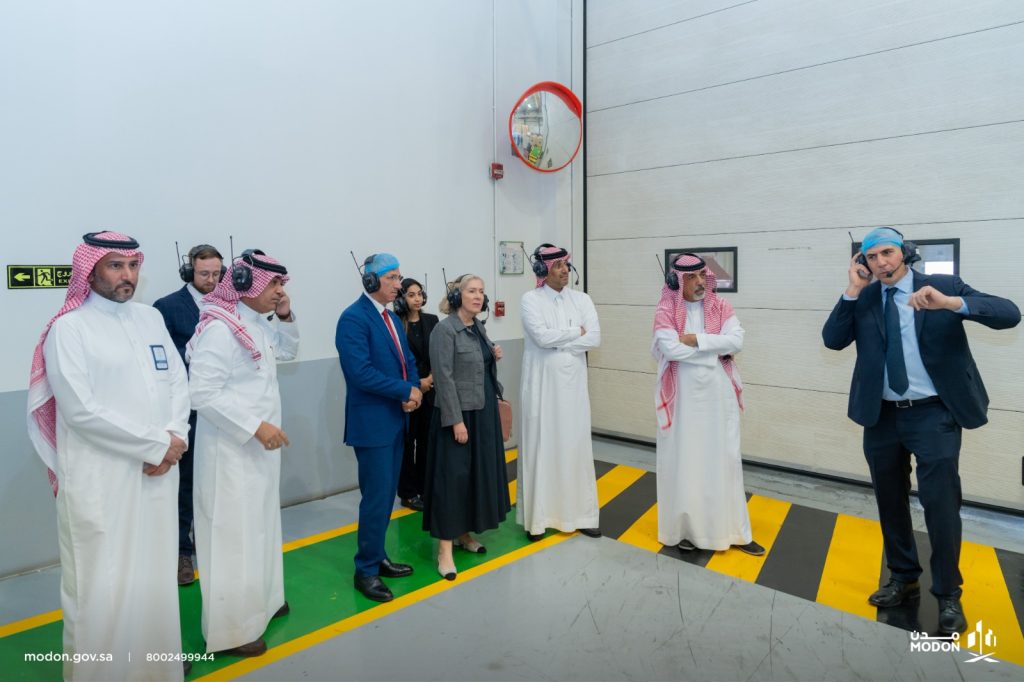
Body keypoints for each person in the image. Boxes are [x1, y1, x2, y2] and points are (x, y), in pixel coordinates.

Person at [822, 227, 1020, 636]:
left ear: (905, 253)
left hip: (934, 414)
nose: (881, 263)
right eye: (872, 257)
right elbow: (832, 340)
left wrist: (951, 304)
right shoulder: (865, 297)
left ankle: (947, 593)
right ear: (863, 262)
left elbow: (1009, 314)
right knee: (890, 500)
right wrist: (852, 289)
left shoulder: (942, 287)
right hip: (882, 417)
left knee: (940, 504)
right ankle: (902, 577)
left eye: (888, 253)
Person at [27, 231, 189, 681]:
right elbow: (81, 410)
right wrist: (157, 444)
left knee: (154, 577)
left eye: (133, 265)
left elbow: (178, 382)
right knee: (102, 583)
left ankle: (156, 668)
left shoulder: (150, 319)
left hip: (159, 474)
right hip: (101, 479)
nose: (127, 275)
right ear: (90, 270)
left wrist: (176, 438)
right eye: (116, 266)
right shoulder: (69, 328)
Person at [186, 249, 298, 657]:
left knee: (261, 528)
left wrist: (285, 315)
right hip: (230, 454)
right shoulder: (221, 329)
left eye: (281, 283)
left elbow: (288, 352)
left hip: (260, 451)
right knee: (233, 538)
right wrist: (255, 427)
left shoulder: (255, 324)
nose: (279, 290)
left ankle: (265, 602)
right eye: (273, 284)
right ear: (245, 284)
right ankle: (231, 631)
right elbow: (201, 393)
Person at [653, 253, 764, 557]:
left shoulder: (721, 306)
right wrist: (714, 350)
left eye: (703, 275)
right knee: (688, 462)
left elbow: (736, 342)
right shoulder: (665, 310)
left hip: (719, 397)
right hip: (683, 399)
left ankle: (735, 532)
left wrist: (695, 340)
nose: (701, 282)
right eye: (692, 277)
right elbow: (670, 350)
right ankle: (688, 532)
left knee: (725, 461)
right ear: (677, 281)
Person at [336, 253, 421, 603]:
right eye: (392, 278)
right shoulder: (353, 319)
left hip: (396, 420)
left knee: (386, 496)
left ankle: (378, 554)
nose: (399, 285)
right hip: (373, 425)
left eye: (399, 277)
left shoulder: (390, 318)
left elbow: (408, 361)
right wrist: (404, 391)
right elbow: (360, 372)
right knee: (376, 498)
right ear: (371, 281)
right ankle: (366, 570)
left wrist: (412, 391)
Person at [424, 275, 510, 579]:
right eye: (471, 291)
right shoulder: (444, 330)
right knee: (452, 481)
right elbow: (443, 377)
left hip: (483, 412)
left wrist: (493, 354)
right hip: (458, 416)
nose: (478, 296)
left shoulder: (478, 327)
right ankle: (444, 550)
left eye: (481, 292)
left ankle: (464, 534)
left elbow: (477, 364)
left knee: (474, 477)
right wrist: (456, 420)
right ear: (456, 296)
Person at [518, 244, 602, 541]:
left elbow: (595, 338)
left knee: (576, 446)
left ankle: (583, 516)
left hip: (574, 388)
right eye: (557, 266)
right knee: (543, 446)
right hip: (542, 388)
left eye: (566, 264)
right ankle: (539, 520)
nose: (565, 270)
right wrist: (576, 333)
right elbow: (541, 338)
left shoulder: (582, 299)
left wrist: (561, 341)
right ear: (542, 270)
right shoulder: (530, 300)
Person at [153, 243, 225, 586]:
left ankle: (212, 546)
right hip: (187, 412)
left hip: (221, 412)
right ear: (188, 272)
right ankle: (182, 551)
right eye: (204, 273)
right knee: (184, 485)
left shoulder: (228, 308)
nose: (211, 280)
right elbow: (163, 363)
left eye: (217, 274)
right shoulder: (166, 308)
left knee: (216, 482)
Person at [393, 278, 439, 512]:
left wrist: (430, 379)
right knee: (407, 443)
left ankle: (424, 487)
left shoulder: (432, 321)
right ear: (401, 299)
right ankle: (408, 493)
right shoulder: (395, 323)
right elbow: (395, 362)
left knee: (426, 442)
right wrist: (417, 384)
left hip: (430, 390)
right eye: (411, 295)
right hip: (408, 393)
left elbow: (439, 352)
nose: (417, 299)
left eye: (419, 294)